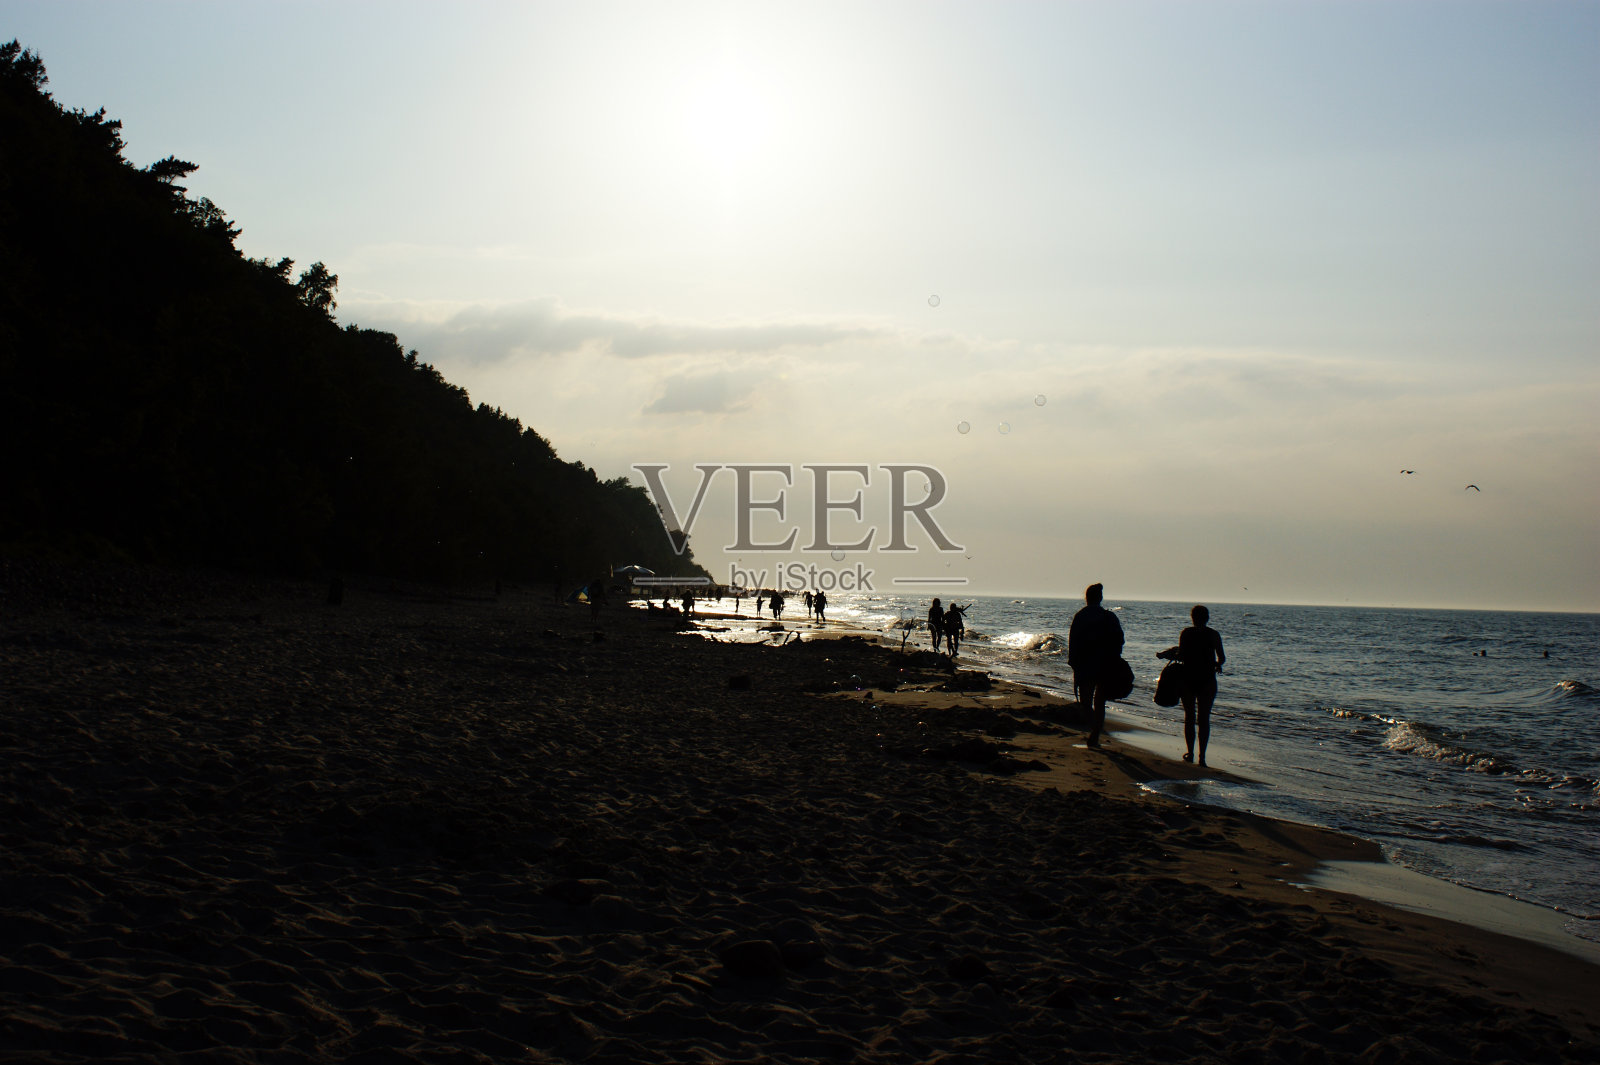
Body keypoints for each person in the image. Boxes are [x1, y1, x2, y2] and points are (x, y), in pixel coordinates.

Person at [1158, 605, 1225, 766]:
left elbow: (1181, 655)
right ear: (1207, 618)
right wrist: (1216, 665)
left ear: (1192, 618)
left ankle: (1190, 753)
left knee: (1189, 717)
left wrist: (1169, 654)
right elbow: (1222, 658)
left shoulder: (1186, 633)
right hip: (1207, 680)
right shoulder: (1214, 634)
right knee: (1204, 719)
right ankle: (1202, 758)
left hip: (1188, 679)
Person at [1067, 583, 1123, 749]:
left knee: (1086, 701)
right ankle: (1096, 734)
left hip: (1085, 665)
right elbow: (1119, 640)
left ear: (1086, 598)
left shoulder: (1080, 616)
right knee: (1100, 702)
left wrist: (1073, 663)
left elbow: (1073, 641)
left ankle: (1094, 731)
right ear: (1100, 598)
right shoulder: (1109, 616)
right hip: (1104, 665)